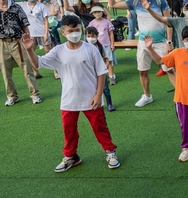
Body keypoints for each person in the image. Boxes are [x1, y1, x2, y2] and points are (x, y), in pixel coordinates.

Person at [22, 15, 120, 172]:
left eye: (77, 30)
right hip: (69, 99)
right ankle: (71, 156)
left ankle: (110, 151)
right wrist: (29, 50)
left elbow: (101, 72)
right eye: (70, 31)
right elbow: (38, 63)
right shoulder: (58, 51)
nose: (74, 33)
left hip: (91, 98)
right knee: (69, 130)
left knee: (99, 127)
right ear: (63, 32)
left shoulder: (91, 49)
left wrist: (98, 94)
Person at [105, 0, 176, 107]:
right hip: (143, 43)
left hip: (161, 42)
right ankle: (147, 96)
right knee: (142, 71)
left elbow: (169, 22)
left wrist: (169, 42)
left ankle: (181, 96)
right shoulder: (135, 2)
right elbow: (112, 4)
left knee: (169, 69)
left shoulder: (160, 0)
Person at [144, 28, 188, 162]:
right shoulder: (176, 53)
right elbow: (159, 61)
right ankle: (187, 148)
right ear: (182, 40)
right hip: (181, 98)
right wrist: (150, 48)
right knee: (185, 125)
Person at [17, 0, 50, 79]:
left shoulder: (41, 6)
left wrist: (46, 33)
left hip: (42, 32)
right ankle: (36, 72)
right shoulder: (22, 5)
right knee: (30, 53)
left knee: (48, 52)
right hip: (31, 34)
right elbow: (10, 2)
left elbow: (46, 20)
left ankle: (56, 71)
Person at [85, 26, 115, 111]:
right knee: (91, 88)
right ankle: (92, 104)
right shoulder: (84, 47)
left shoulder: (100, 46)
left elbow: (107, 59)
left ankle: (109, 104)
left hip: (100, 72)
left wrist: (104, 68)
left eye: (92, 36)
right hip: (89, 72)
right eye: (88, 36)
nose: (90, 38)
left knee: (105, 88)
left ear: (97, 36)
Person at [88, 5, 116, 85]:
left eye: (99, 12)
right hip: (96, 46)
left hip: (106, 44)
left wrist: (112, 44)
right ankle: (99, 77)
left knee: (109, 60)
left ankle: (111, 76)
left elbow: (111, 33)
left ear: (102, 12)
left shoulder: (107, 22)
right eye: (95, 12)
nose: (97, 14)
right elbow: (89, 34)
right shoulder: (92, 23)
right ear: (93, 13)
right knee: (97, 61)